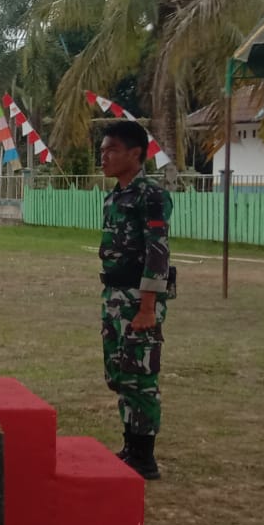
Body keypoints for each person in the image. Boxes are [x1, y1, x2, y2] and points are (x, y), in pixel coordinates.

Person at [98, 120, 173, 481]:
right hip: (114, 295)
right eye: (102, 150)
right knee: (121, 373)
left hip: (138, 298)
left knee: (142, 375)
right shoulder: (115, 196)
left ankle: (145, 457)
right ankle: (130, 445)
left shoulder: (150, 195)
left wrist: (146, 308)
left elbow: (157, 253)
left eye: (112, 149)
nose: (104, 157)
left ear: (136, 154)